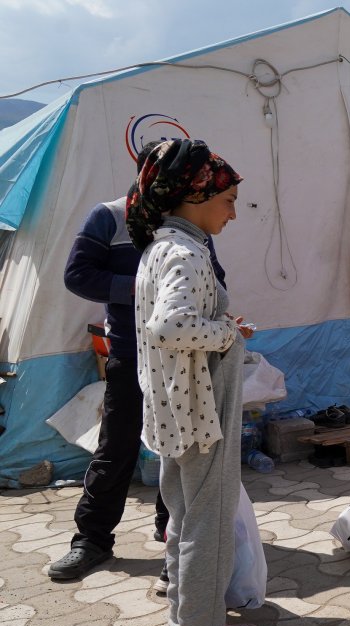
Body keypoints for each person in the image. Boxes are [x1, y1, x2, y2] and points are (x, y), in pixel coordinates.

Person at [48, 144, 228, 585]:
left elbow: (214, 278)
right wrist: (147, 287)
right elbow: (78, 274)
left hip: (184, 357)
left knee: (180, 449)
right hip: (132, 352)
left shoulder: (189, 225)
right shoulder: (109, 216)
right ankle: (90, 540)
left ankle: (174, 540)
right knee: (118, 445)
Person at [129, 139, 266, 626]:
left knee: (184, 522)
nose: (233, 211)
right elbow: (171, 325)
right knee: (205, 527)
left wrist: (223, 330)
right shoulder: (186, 252)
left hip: (173, 410)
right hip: (199, 413)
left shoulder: (160, 247)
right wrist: (225, 333)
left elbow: (171, 324)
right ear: (195, 197)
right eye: (227, 199)